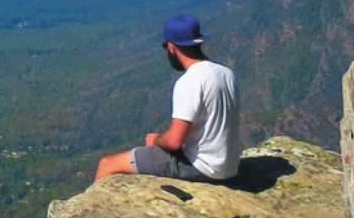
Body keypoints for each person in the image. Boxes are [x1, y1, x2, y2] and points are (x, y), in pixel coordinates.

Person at [94, 14, 243, 182]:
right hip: (228, 165)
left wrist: (155, 140)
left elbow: (174, 142)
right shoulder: (226, 73)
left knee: (107, 164)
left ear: (172, 47)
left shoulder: (190, 81)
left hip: (201, 166)